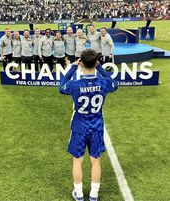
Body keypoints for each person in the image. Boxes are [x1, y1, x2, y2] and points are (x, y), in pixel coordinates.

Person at [59, 49, 118, 201]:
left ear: (81, 63)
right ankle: (94, 195)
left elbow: (61, 87)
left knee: (78, 161)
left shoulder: (75, 85)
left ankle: (79, 195)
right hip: (97, 125)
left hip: (79, 125)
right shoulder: (104, 83)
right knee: (95, 160)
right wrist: (100, 68)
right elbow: (115, 84)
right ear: (96, 62)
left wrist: (72, 67)